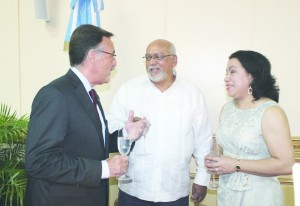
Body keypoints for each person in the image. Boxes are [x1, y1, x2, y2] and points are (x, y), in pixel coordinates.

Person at [24, 24, 148, 206]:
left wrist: (127, 134)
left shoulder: (89, 93)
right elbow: (39, 161)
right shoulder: (54, 95)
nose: (114, 63)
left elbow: (94, 144)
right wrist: (103, 168)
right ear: (92, 56)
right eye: (112, 56)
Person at [107, 39, 212, 206]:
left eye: (158, 57)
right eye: (148, 58)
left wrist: (202, 178)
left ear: (174, 60)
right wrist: (127, 130)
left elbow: (203, 140)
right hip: (134, 189)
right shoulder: (129, 90)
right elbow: (111, 128)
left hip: (174, 190)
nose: (152, 62)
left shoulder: (193, 94)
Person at [204, 50, 295, 206]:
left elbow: (286, 164)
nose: (226, 77)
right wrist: (215, 157)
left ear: (251, 75)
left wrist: (235, 164)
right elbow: (226, 146)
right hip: (227, 193)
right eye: (226, 72)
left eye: (232, 71)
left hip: (258, 196)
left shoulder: (270, 112)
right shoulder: (227, 109)